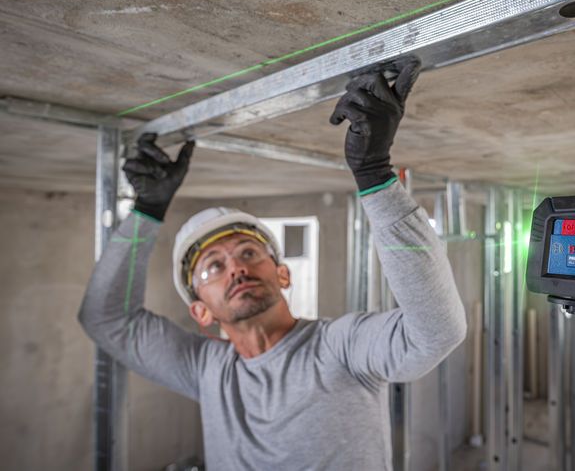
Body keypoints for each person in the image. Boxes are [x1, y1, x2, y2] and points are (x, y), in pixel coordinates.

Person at [78, 60, 467, 471]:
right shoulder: (208, 372)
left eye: (248, 253)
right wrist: (146, 211)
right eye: (213, 266)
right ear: (200, 310)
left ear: (282, 273)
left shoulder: (340, 348)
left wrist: (374, 175)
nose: (236, 269)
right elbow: (105, 318)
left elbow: (437, 331)